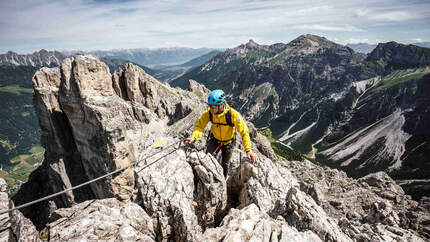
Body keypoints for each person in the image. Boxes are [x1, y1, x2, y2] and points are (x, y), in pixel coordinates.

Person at [185, 89, 258, 176]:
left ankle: (223, 179)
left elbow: (244, 132)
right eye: (210, 105)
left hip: (228, 143)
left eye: (213, 106)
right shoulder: (209, 113)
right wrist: (193, 137)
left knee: (225, 165)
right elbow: (199, 126)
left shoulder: (233, 115)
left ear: (221, 105)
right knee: (207, 159)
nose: (210, 108)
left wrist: (248, 150)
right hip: (214, 140)